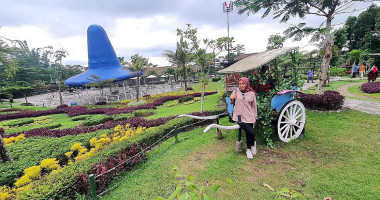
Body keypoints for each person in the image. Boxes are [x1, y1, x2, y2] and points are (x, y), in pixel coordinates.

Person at [229, 77, 258, 159]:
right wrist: (232, 98)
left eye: (243, 83)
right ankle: (251, 146)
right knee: (251, 132)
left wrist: (254, 116)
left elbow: (254, 106)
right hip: (239, 117)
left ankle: (250, 148)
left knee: (249, 133)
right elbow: (231, 102)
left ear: (246, 83)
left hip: (249, 116)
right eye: (240, 84)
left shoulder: (251, 93)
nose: (241, 85)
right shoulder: (235, 91)